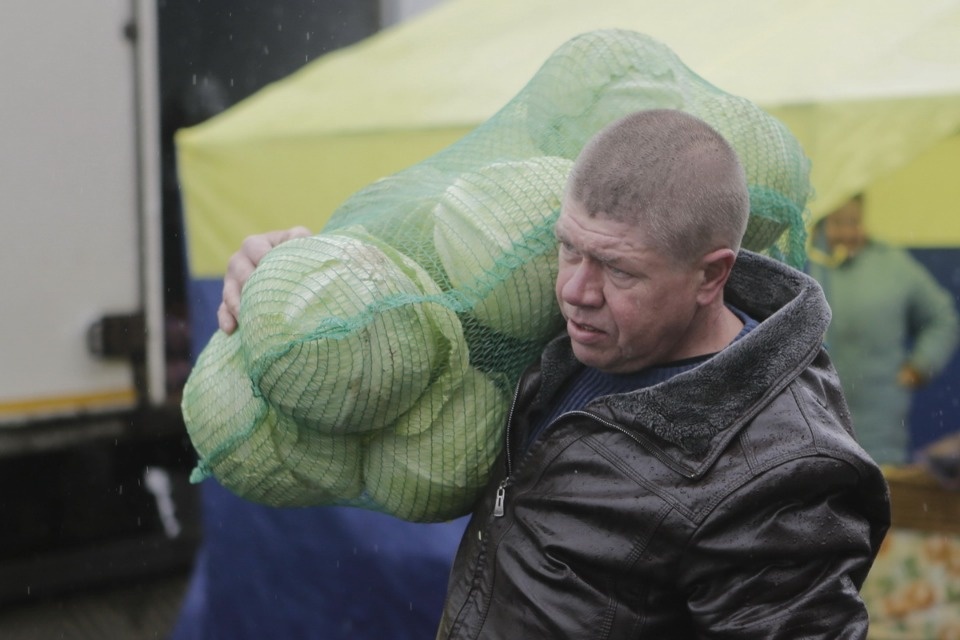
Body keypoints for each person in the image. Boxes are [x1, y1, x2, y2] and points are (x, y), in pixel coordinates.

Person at [218, 110, 890, 638]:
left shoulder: (778, 474)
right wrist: (282, 271)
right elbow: (395, 320)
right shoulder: (558, 328)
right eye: (568, 247)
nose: (574, 289)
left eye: (618, 269)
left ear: (711, 274)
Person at [808, 194, 960, 466]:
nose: (847, 231)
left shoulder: (893, 266)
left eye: (854, 222)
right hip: (815, 429)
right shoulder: (806, 266)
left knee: (882, 495)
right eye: (837, 222)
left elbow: (943, 317)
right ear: (820, 222)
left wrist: (921, 365)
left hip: (881, 431)